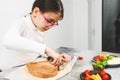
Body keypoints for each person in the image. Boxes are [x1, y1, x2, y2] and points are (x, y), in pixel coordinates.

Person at [0, 0, 71, 70]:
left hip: (25, 68)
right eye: (49, 21)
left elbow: (35, 51)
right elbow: (8, 40)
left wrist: (55, 56)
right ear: (36, 12)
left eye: (54, 23)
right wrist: (45, 49)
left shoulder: (39, 28)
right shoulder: (20, 23)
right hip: (7, 71)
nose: (50, 26)